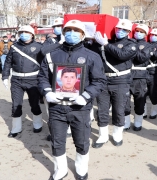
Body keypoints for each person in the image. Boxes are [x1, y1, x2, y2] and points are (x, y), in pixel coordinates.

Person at [38, 19, 106, 180]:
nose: (71, 34)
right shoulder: (51, 55)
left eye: (76, 31)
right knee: (57, 141)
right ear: (63, 33)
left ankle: (81, 168)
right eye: (68, 30)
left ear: (83, 35)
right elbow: (42, 77)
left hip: (80, 108)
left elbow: (100, 81)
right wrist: (47, 91)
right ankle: (60, 169)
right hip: (56, 107)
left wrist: (86, 96)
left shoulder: (92, 56)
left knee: (82, 141)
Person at [93, 19, 137, 148]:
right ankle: (103, 135)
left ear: (129, 32)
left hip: (121, 80)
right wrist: (93, 42)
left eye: (124, 30)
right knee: (102, 110)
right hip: (104, 80)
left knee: (119, 109)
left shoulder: (131, 44)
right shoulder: (107, 42)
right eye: (118, 29)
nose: (120, 31)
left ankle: (117, 134)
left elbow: (121, 55)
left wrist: (106, 44)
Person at [2, 25, 44, 138]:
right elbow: (8, 62)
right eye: (21, 32)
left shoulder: (39, 47)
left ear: (32, 34)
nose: (23, 34)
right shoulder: (14, 47)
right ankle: (16, 128)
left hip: (33, 80)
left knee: (34, 104)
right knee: (16, 105)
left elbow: (44, 65)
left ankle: (37, 124)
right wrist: (5, 77)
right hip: (16, 80)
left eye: (26, 32)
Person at [124, 24, 151, 131]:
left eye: (141, 31)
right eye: (136, 31)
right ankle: (125, 122)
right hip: (126, 75)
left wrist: (132, 49)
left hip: (140, 77)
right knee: (125, 101)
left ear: (145, 34)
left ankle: (138, 121)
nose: (138, 33)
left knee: (139, 101)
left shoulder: (147, 46)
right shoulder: (129, 42)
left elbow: (142, 58)